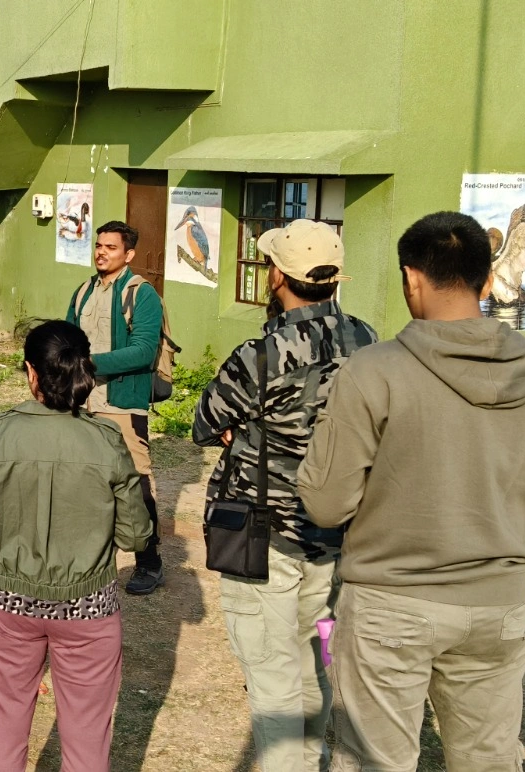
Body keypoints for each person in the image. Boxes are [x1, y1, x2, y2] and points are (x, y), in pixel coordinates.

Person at [298, 211, 525, 770]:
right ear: (486, 280)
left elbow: (326, 504)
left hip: (390, 604)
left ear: (412, 278)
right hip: (498, 606)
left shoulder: (373, 371)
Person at [192, 219, 376, 772]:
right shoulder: (367, 342)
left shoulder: (260, 353)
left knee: (272, 676)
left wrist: (246, 429)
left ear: (277, 275)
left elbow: (205, 421)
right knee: (313, 661)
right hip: (336, 532)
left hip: (262, 535)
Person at [0, 319, 151, 771]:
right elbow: (135, 535)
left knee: (2, 734)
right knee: (87, 746)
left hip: (7, 601)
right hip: (88, 607)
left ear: (31, 372)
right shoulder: (106, 441)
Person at [64, 220, 164, 595]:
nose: (102, 253)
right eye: (99, 246)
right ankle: (89, 563)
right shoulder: (83, 291)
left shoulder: (142, 294)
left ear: (129, 254)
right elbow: (68, 340)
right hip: (82, 401)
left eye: (111, 247)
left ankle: (149, 563)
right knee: (85, 483)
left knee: (134, 483)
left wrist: (88, 364)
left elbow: (143, 351)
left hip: (122, 404)